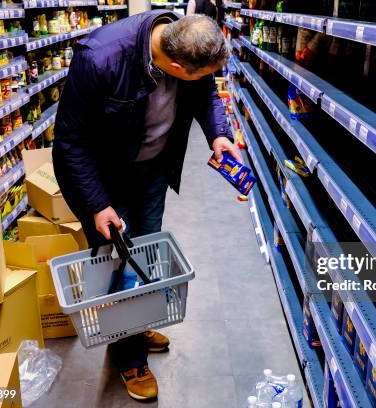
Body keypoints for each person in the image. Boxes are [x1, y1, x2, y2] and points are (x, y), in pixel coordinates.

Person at [52, 11, 241, 401]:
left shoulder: (181, 43)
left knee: (147, 249)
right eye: (195, 73)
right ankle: (130, 355)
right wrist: (97, 204)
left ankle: (137, 323)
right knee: (120, 259)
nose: (202, 80)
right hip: (106, 177)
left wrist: (219, 136)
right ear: (174, 66)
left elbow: (205, 92)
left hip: (153, 168)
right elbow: (70, 143)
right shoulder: (100, 57)